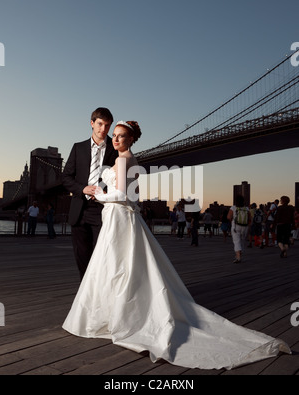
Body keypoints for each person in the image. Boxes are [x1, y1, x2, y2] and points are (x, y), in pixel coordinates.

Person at [63, 120, 290, 370]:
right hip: (122, 218)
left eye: (121, 136)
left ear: (131, 139)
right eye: (114, 135)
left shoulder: (122, 161)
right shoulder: (133, 160)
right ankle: (118, 311)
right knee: (125, 266)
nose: (115, 139)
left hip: (119, 216)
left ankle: (115, 315)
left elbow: (123, 196)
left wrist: (98, 194)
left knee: (116, 266)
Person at [62, 107, 118, 280]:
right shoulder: (78, 148)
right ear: (92, 123)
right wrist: (82, 189)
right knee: (82, 257)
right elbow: (66, 177)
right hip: (79, 210)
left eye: (107, 126)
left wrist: (106, 192)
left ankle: (101, 294)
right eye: (100, 124)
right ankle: (85, 297)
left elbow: (121, 179)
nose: (103, 129)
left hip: (102, 211)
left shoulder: (115, 149)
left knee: (103, 256)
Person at [227, 195, 251, 263]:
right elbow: (250, 219)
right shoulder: (246, 208)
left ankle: (238, 257)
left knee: (236, 241)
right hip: (245, 227)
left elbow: (228, 217)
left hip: (236, 226)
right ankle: (240, 254)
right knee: (242, 241)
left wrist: (233, 220)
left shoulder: (233, 208)